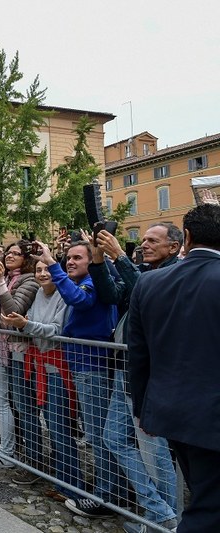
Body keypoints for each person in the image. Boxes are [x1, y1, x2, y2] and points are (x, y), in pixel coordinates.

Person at [128, 204, 220, 533]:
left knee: (203, 495)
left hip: (170, 412)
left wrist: (142, 409)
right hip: (210, 418)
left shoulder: (150, 283)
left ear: (187, 237)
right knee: (208, 508)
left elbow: (137, 355)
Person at [90, 226, 180, 533]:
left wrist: (119, 257)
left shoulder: (175, 274)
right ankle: (159, 512)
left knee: (154, 449)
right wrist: (99, 259)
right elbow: (110, 294)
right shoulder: (143, 269)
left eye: (153, 241)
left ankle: (165, 523)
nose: (144, 245)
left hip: (149, 373)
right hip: (124, 370)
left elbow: (150, 295)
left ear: (174, 247)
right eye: (143, 240)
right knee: (113, 439)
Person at [37, 240, 120, 518]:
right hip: (81, 364)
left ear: (91, 260)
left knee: (97, 435)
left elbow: (79, 300)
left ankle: (107, 496)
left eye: (77, 258)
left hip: (92, 365)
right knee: (97, 432)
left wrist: (52, 264)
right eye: (67, 258)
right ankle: (109, 490)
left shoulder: (92, 282)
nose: (70, 262)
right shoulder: (85, 280)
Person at [2, 259, 83, 499]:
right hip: (38, 362)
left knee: (59, 425)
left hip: (56, 366)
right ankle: (60, 479)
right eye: (38, 269)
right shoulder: (38, 293)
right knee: (47, 421)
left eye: (47, 268)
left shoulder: (63, 295)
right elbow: (35, 324)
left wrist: (26, 324)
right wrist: (21, 324)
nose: (42, 273)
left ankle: (71, 485)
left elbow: (56, 330)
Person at [0, 241, 39, 470]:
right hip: (4, 349)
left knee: (22, 405)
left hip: (20, 350)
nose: (10, 256)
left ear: (26, 258)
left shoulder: (28, 280)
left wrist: (0, 281)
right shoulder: (8, 277)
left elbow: (14, 309)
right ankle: (12, 448)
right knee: (9, 402)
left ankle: (25, 455)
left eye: (16, 253)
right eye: (8, 253)